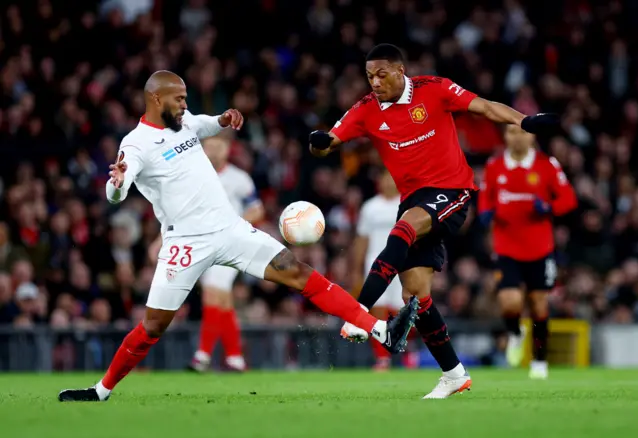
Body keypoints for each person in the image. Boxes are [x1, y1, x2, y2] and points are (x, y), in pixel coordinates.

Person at [58, 70, 418, 402]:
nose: (185, 105)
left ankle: (380, 330)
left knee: (295, 269)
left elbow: (205, 124)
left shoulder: (185, 125)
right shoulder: (136, 144)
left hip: (230, 230)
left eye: (185, 98)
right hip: (186, 242)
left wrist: (223, 120)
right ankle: (101, 390)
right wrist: (117, 184)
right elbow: (117, 188)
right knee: (153, 326)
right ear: (156, 100)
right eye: (179, 99)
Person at [309, 44, 558, 398]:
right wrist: (317, 143)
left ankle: (359, 310)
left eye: (381, 75)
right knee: (416, 294)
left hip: (452, 189)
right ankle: (454, 374)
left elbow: (484, 106)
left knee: (403, 230)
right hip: (414, 200)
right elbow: (329, 141)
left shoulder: (434, 89)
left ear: (400, 70)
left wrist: (523, 120)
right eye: (369, 77)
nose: (375, 83)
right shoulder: (365, 110)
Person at [148, 135, 262, 372]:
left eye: (217, 146)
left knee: (212, 293)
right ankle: (234, 357)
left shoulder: (239, 178)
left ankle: (202, 355)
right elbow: (178, 213)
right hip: (201, 244)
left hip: (231, 243)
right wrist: (159, 240)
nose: (211, 150)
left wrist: (232, 225)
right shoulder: (193, 177)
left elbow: (257, 209)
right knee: (222, 300)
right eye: (207, 146)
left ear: (227, 149)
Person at [478, 124, 577, 379]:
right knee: (509, 302)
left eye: (522, 132)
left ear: (532, 135)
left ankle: (540, 360)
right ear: (505, 136)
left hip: (540, 248)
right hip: (506, 246)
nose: (517, 137)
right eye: (512, 132)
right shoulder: (494, 166)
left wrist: (549, 207)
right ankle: (514, 332)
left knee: (539, 305)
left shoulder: (547, 165)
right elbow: (485, 197)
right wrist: (485, 213)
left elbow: (568, 199)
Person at [352, 169, 403, 371]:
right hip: (374, 261)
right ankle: (382, 358)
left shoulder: (406, 204)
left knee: (402, 311)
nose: (388, 181)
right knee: (378, 309)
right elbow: (361, 239)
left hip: (401, 262)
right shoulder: (370, 207)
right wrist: (356, 269)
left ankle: (404, 354)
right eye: (384, 177)